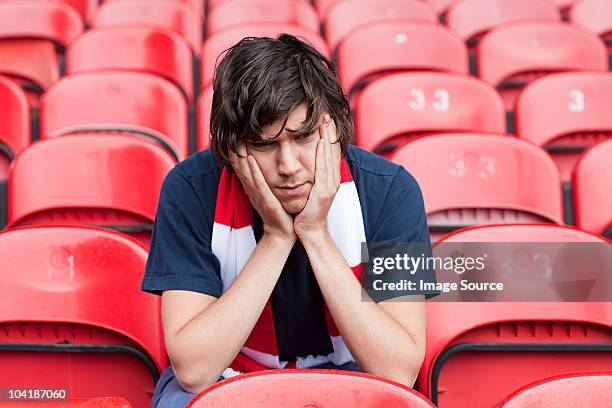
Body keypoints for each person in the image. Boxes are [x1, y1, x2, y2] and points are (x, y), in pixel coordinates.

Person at [142, 33, 436, 408]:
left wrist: (315, 235)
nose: (289, 166)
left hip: (353, 382)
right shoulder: (188, 189)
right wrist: (277, 239)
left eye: (304, 137)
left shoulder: (393, 191)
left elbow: (398, 371)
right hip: (225, 382)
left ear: (333, 129)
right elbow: (194, 371)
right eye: (264, 145)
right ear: (232, 148)